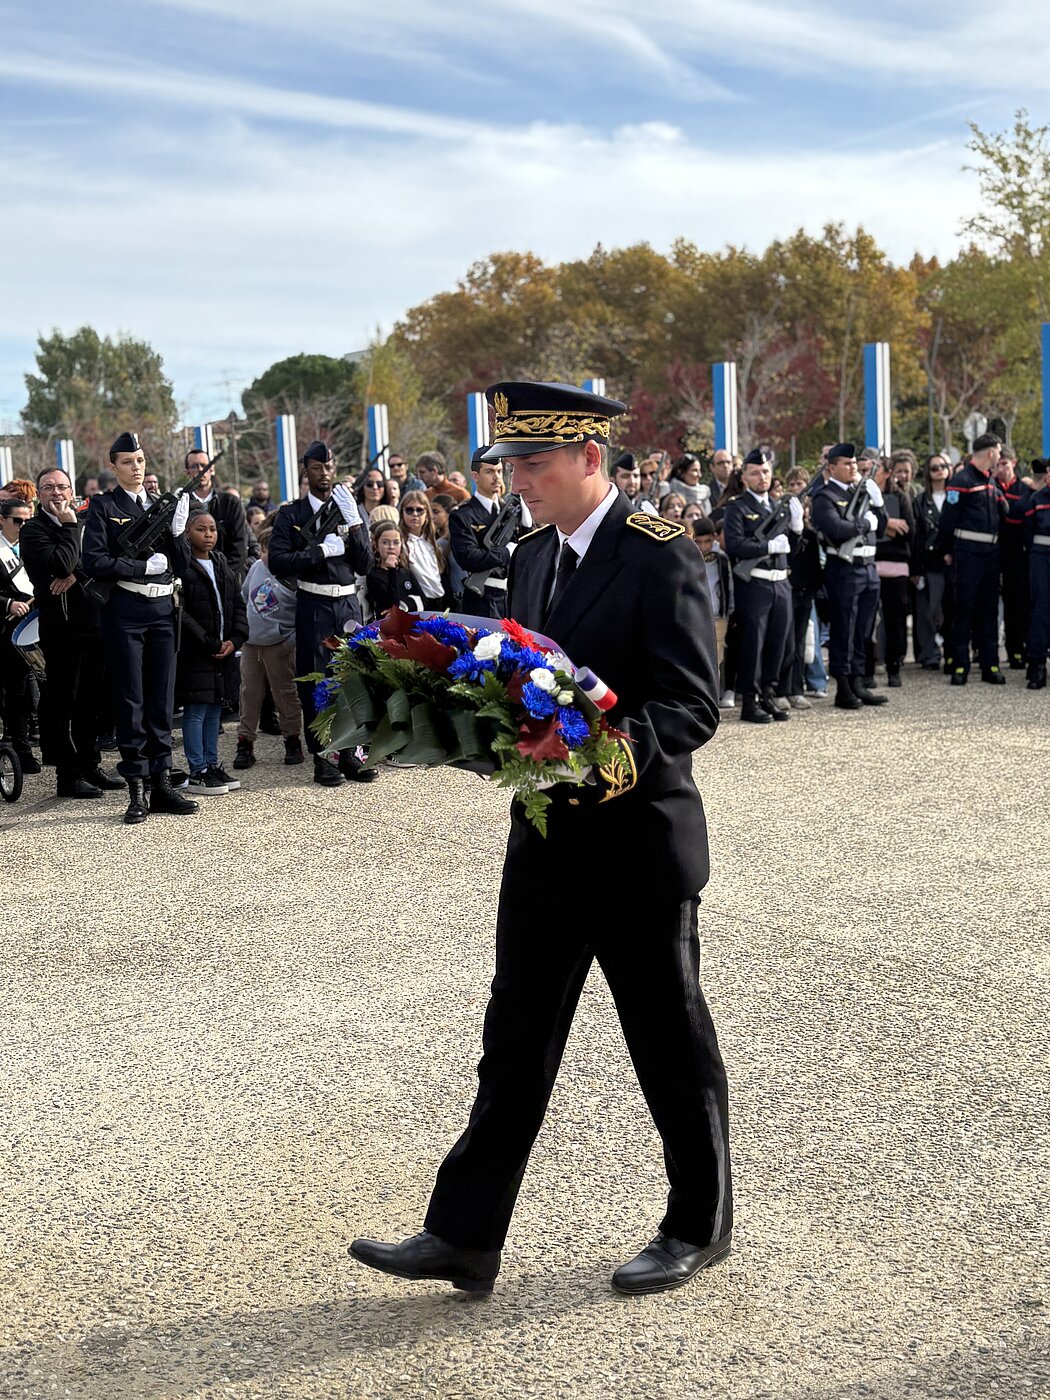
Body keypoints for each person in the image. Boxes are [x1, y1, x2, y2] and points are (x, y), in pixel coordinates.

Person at [351, 380, 730, 1299]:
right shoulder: (530, 555)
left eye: (533, 462)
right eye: (510, 464)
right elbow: (516, 684)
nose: (516, 478)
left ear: (589, 458)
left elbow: (690, 706)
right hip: (546, 838)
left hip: (637, 842)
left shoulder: (661, 556)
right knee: (514, 1036)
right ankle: (464, 1235)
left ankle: (697, 1224)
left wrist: (596, 753)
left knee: (666, 1040)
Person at [80, 431, 199, 823]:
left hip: (163, 608)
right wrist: (137, 567)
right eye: (128, 461)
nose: (136, 467)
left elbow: (180, 565)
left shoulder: (159, 507)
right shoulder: (103, 506)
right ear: (114, 466)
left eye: (141, 461)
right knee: (131, 700)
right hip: (126, 610)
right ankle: (137, 790)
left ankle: (162, 784)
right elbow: (94, 561)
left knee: (162, 699)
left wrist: (180, 533)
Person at [268, 440, 377, 788]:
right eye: (318, 468)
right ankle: (323, 755)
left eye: (329, 467)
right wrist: (317, 552)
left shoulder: (348, 508)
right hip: (314, 605)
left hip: (347, 603)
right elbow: (278, 562)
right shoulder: (292, 514)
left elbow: (366, 563)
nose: (325, 474)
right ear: (307, 470)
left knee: (351, 679)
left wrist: (356, 524)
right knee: (317, 681)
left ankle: (350, 751)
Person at [19, 466, 122, 798]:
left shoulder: (85, 523)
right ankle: (68, 775)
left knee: (91, 701)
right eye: (48, 488)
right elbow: (60, 564)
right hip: (59, 629)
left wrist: (77, 573)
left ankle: (90, 765)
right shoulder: (33, 530)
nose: (57, 493)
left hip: (92, 622)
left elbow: (101, 560)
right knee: (64, 700)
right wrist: (69, 530)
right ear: (39, 494)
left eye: (62, 486)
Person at [173, 510, 248, 796]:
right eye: (201, 529)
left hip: (223, 650)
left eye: (212, 529)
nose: (208, 535)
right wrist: (207, 642)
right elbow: (182, 613)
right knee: (196, 711)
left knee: (215, 709)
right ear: (188, 533)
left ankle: (212, 764)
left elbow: (237, 605)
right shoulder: (184, 567)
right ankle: (198, 769)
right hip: (197, 652)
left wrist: (236, 639)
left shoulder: (221, 563)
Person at [810, 443, 887, 711]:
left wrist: (878, 503)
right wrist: (865, 523)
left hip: (868, 567)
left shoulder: (860, 491)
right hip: (844, 569)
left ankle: (857, 680)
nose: (853, 467)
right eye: (846, 463)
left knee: (863, 629)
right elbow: (836, 528)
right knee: (844, 629)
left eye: (854, 463)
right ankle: (843, 686)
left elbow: (883, 526)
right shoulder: (824, 497)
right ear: (831, 468)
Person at [722, 450, 794, 724]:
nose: (761, 477)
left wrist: (796, 529)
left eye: (765, 471)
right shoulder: (737, 507)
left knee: (780, 643)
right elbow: (736, 544)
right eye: (754, 472)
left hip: (781, 582)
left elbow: (791, 549)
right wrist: (767, 545)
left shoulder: (777, 506)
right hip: (755, 584)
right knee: (754, 644)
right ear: (743, 477)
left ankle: (769, 694)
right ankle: (749, 702)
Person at [937, 433, 1008, 686]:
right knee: (963, 609)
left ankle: (990, 665)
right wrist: (945, 550)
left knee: (989, 611)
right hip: (967, 554)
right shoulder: (961, 480)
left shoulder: (991, 481)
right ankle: (959, 665)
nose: (1000, 457)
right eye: (999, 452)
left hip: (991, 555)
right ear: (990, 452)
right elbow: (947, 520)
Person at [233, 524, 303, 770]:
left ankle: (292, 740)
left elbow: (302, 615)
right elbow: (244, 596)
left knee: (285, 695)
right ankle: (245, 743)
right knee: (249, 694)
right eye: (263, 550)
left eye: (273, 550)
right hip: (252, 644)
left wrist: (288, 641)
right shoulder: (256, 568)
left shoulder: (294, 578)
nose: (267, 556)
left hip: (279, 645)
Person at [448, 447, 516, 617]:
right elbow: (469, 557)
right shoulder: (462, 514)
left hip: (512, 596)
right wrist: (506, 553)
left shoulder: (510, 511)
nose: (497, 477)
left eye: (499, 471)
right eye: (489, 471)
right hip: (483, 598)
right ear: (475, 476)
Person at [0, 497, 40, 774]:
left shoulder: (32, 546)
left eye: (28, 521)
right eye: (17, 521)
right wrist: (7, 603)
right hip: (3, 629)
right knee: (9, 693)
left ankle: (23, 748)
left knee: (25, 693)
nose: (23, 526)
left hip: (28, 627)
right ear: (2, 521)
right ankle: (14, 746)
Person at [871, 459, 914, 688]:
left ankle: (894, 666)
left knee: (895, 621)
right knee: (868, 621)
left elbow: (908, 531)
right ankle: (868, 668)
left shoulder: (900, 497)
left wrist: (882, 527)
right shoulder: (864, 496)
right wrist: (886, 523)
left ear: (886, 473)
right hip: (870, 563)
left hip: (896, 566)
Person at [911, 454, 952, 670]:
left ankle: (954, 653)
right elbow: (916, 537)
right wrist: (915, 568)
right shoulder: (919, 501)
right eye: (934, 467)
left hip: (953, 563)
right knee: (927, 612)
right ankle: (929, 655)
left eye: (943, 466)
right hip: (929, 564)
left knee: (952, 612)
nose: (939, 470)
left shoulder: (956, 496)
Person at [182, 449, 248, 580]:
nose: (200, 470)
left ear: (212, 469)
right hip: (194, 580)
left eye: (204, 465)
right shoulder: (181, 505)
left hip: (228, 578)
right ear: (187, 472)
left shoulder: (230, 503)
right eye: (194, 466)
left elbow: (239, 544)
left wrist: (227, 575)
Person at [995, 451, 1030, 671]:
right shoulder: (991, 487)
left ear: (1013, 463)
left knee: (1018, 606)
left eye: (1004, 464)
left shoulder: (1024, 490)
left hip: (1017, 556)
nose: (1000, 469)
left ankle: (1017, 650)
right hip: (993, 552)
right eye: (997, 464)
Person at [399, 492, 447, 607]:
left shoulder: (432, 542)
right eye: (409, 510)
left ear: (427, 514)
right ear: (402, 513)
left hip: (439, 599)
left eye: (420, 510)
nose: (415, 514)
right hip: (416, 601)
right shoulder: (399, 542)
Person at [366, 520, 424, 616]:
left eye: (396, 542)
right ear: (376, 546)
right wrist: (392, 570)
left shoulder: (405, 572)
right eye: (385, 542)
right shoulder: (374, 574)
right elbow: (392, 605)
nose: (391, 547)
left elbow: (423, 602)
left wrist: (404, 607)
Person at [1024, 477, 1050, 687]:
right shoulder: (1036, 499)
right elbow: (1027, 533)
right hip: (1042, 556)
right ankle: (1037, 665)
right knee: (1041, 610)